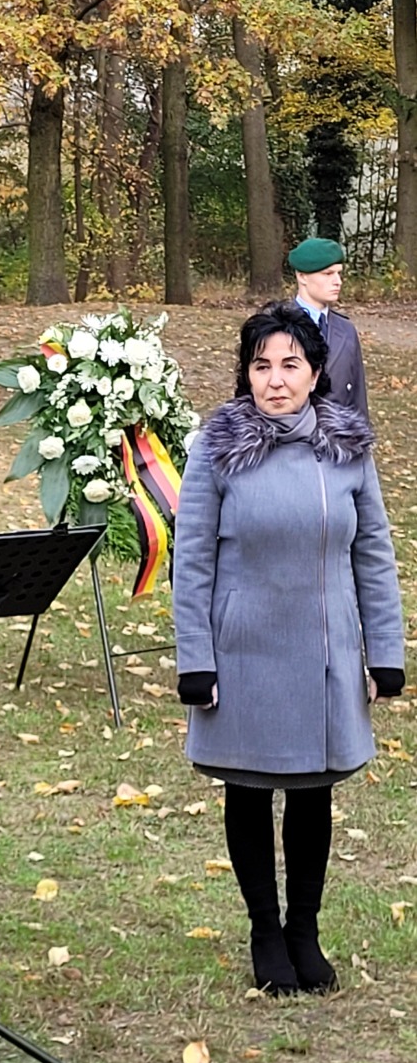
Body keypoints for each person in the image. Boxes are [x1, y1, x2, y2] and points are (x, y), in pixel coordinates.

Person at [172, 302, 403, 996]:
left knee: (312, 792)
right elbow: (193, 562)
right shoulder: (216, 446)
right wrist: (196, 660)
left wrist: (383, 651)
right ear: (246, 374)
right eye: (261, 366)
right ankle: (264, 930)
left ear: (315, 372)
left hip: (325, 649)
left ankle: (304, 928)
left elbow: (374, 554)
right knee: (247, 791)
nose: (275, 380)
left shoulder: (348, 448)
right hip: (242, 649)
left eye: (290, 365)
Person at [288, 237, 369, 417]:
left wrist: (361, 442)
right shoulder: (275, 326)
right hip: (288, 436)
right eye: (327, 274)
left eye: (339, 273)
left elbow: (357, 397)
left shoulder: (346, 330)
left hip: (337, 438)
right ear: (302, 276)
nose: (338, 281)